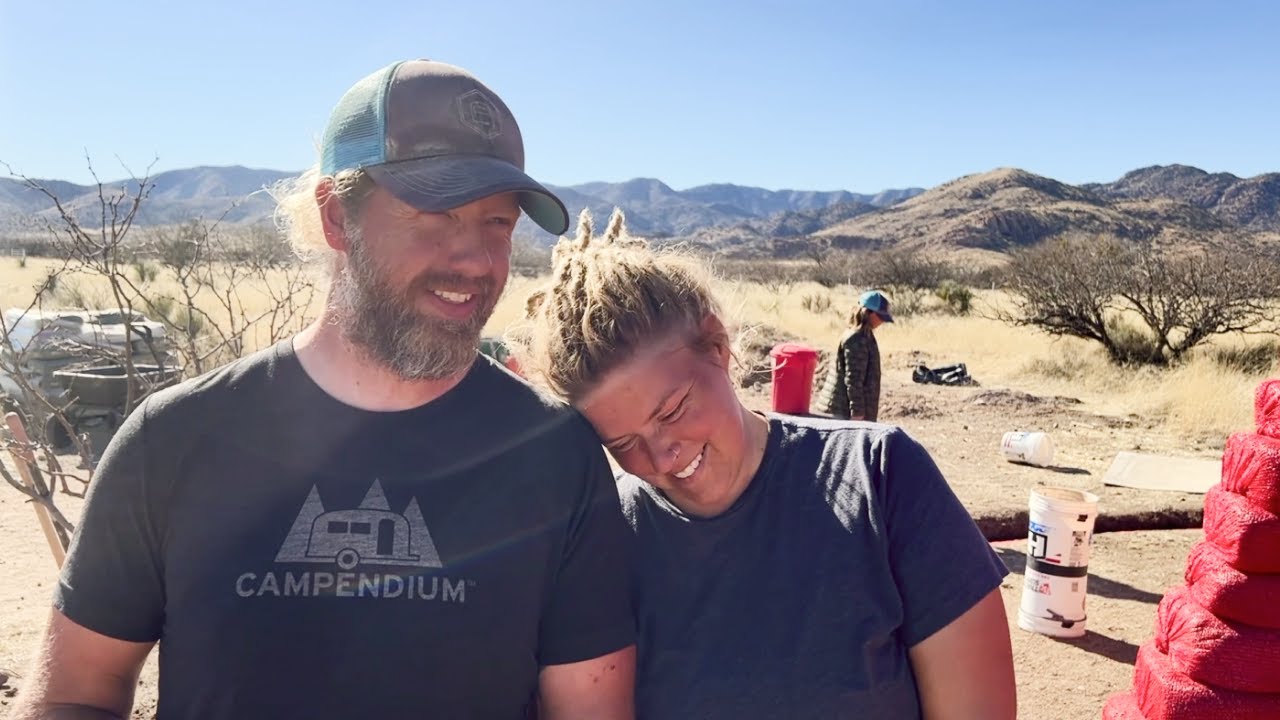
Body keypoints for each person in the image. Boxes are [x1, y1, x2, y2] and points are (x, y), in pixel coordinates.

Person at [13, 60, 636, 720]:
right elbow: (73, 694)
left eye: (498, 223)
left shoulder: (554, 456)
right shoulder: (171, 439)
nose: (477, 260)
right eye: (436, 213)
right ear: (338, 216)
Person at [513, 209, 1016, 719]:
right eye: (622, 442)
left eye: (673, 410)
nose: (662, 455)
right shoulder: (603, 541)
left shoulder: (879, 476)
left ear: (717, 346)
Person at [818, 289, 892, 422]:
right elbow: (854, 379)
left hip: (846, 411)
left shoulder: (864, 335)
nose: (882, 321)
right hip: (843, 412)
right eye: (880, 316)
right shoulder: (856, 339)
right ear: (868, 313)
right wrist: (857, 413)